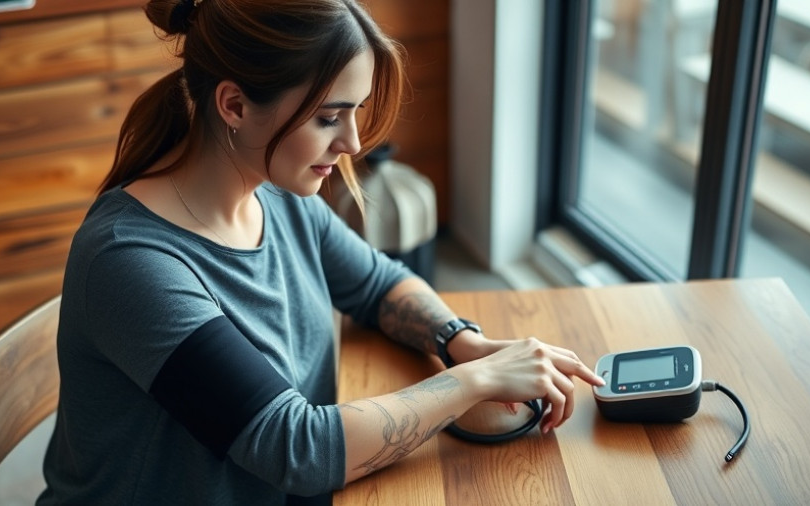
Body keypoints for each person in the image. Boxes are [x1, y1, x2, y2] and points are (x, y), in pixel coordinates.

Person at [37, 0, 605, 504]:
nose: (354, 142)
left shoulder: (273, 191)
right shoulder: (132, 263)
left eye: (354, 113)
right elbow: (293, 449)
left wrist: (464, 342)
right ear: (234, 105)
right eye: (329, 117)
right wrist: (474, 383)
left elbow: (377, 283)